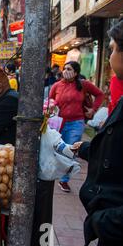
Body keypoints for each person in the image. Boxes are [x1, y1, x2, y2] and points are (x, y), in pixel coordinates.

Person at [71, 18, 123, 246]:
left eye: (111, 49)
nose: (109, 57)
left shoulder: (85, 85)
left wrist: (103, 221)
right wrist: (88, 148)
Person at [49, 61, 104, 192]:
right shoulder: (56, 86)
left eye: (69, 69)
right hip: (59, 123)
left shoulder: (84, 85)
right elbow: (50, 100)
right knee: (58, 150)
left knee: (71, 150)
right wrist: (51, 106)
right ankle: (56, 172)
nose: (66, 71)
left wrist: (93, 110)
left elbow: (100, 94)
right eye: (65, 69)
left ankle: (64, 180)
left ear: (76, 72)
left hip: (76, 123)